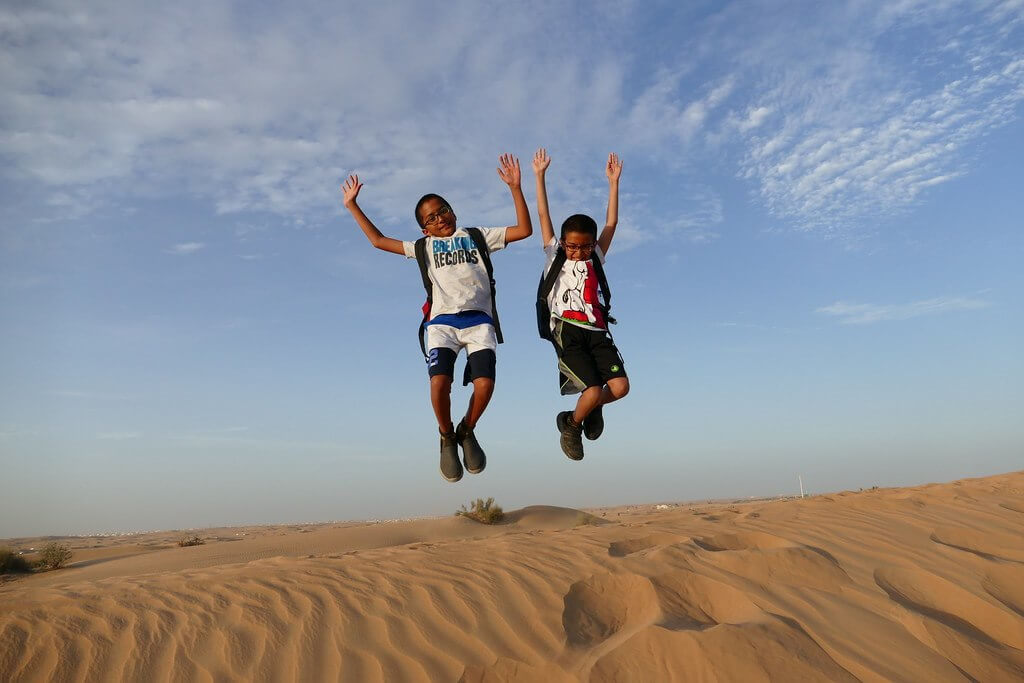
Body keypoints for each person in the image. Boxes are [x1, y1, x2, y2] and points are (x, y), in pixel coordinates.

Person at [341, 155, 532, 482]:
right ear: (424, 228)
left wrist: (515, 188)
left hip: (479, 322)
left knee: (485, 384)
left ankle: (467, 429)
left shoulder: (477, 236)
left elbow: (525, 230)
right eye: (431, 217)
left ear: (453, 211)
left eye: (443, 210)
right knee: (439, 383)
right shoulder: (423, 247)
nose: (440, 218)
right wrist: (352, 206)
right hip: (442, 324)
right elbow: (378, 241)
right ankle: (446, 436)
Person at [532, 148, 629, 460]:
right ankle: (571, 424)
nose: (578, 252)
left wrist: (613, 183)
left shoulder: (595, 257)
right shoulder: (554, 256)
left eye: (585, 246)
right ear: (563, 243)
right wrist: (539, 176)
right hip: (568, 331)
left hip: (597, 332)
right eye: (572, 246)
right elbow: (543, 215)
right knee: (592, 388)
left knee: (620, 387)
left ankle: (591, 408)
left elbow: (611, 223)